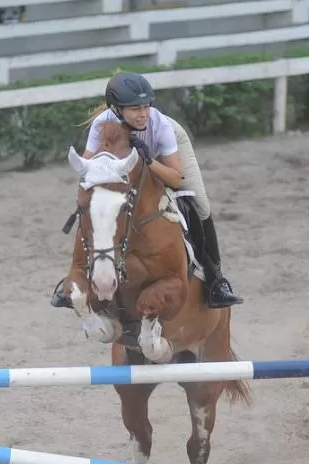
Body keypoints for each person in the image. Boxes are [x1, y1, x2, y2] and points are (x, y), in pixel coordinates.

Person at [51, 70, 242, 310]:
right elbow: (88, 170)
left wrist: (148, 160)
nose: (143, 114)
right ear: (117, 109)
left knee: (201, 204)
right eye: (135, 109)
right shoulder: (102, 125)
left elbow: (175, 178)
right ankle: (77, 271)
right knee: (94, 208)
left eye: (146, 107)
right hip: (129, 167)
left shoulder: (160, 125)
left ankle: (215, 280)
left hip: (165, 156)